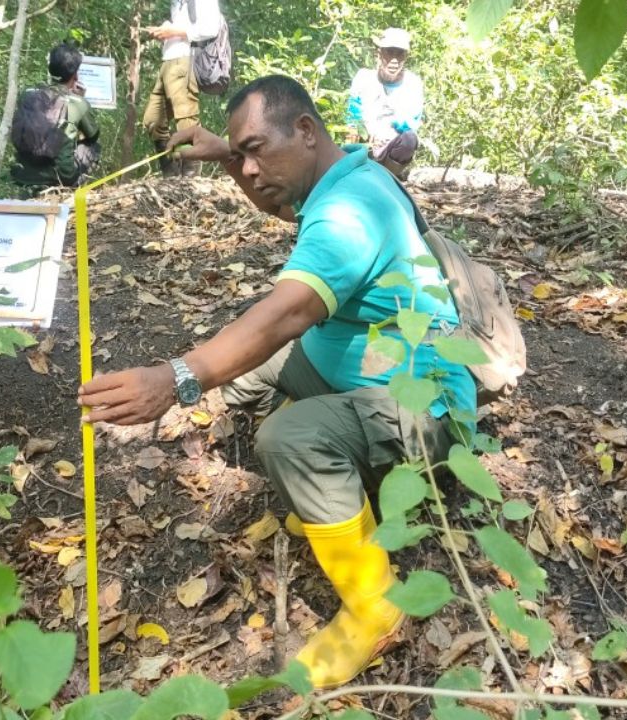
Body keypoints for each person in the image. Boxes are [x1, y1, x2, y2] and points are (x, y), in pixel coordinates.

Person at [77, 75, 477, 689]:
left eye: (257, 148)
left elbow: (288, 312)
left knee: (288, 438)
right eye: (243, 154)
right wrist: (228, 156)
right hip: (355, 360)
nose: (251, 169)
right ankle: (330, 492)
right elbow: (274, 199)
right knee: (243, 376)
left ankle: (374, 604)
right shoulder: (341, 175)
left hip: (424, 401)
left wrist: (177, 377)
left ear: (307, 131)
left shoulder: (348, 212)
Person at [142, 0, 223, 177]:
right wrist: (165, 30)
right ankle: (170, 173)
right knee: (153, 120)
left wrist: (173, 31)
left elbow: (211, 28)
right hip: (168, 61)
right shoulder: (176, 3)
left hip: (185, 59)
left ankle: (191, 176)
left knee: (186, 121)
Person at [10, 43, 101, 195]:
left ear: (50, 69)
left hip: (23, 172)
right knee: (94, 147)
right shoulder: (77, 103)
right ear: (76, 75)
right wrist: (80, 100)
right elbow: (93, 135)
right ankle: (70, 188)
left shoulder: (28, 94)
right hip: (60, 176)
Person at [346, 27, 424, 179]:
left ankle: (387, 176)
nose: (394, 60)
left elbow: (412, 122)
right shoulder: (363, 78)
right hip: (366, 146)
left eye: (399, 54)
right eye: (389, 52)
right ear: (379, 54)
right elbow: (352, 118)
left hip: (391, 148)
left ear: (405, 57)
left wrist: (389, 132)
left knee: (409, 139)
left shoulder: (413, 84)